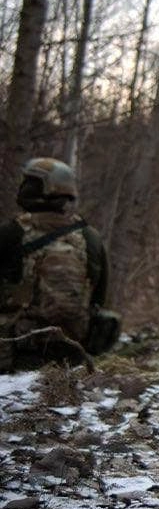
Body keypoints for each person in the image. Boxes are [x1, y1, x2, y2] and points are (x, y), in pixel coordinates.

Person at [0, 157, 119, 369]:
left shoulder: (10, 233)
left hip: (11, 358)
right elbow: (100, 299)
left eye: (30, 183)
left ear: (45, 188)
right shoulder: (90, 238)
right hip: (72, 360)